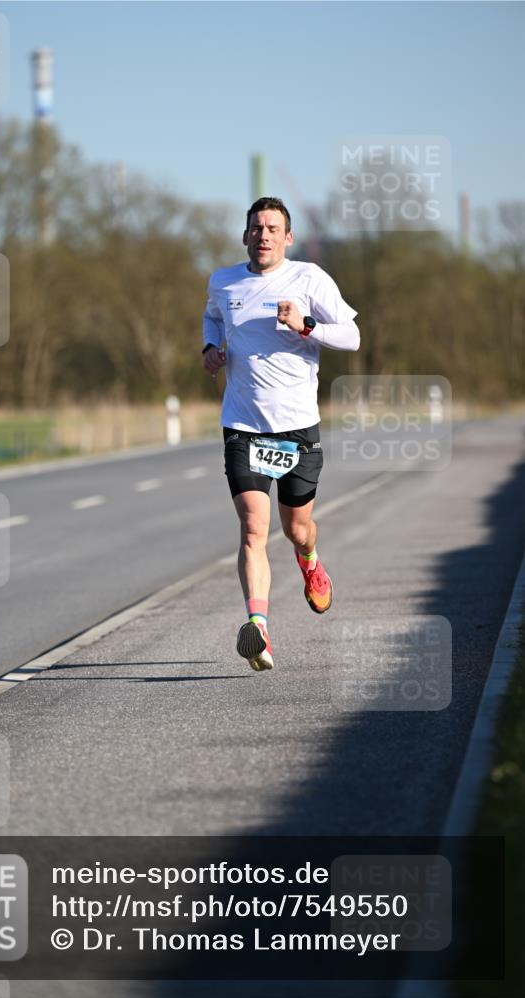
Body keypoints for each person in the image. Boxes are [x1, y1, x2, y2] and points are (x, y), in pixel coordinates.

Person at [202, 196, 360, 671]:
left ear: (287, 238)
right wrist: (209, 347)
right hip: (243, 427)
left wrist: (306, 325)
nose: (264, 235)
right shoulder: (224, 281)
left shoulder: (310, 278)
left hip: (298, 429)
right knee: (254, 527)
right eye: (257, 227)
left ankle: (309, 559)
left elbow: (351, 336)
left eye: (273, 228)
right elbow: (213, 316)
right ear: (245, 235)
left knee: (296, 529)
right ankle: (259, 628)